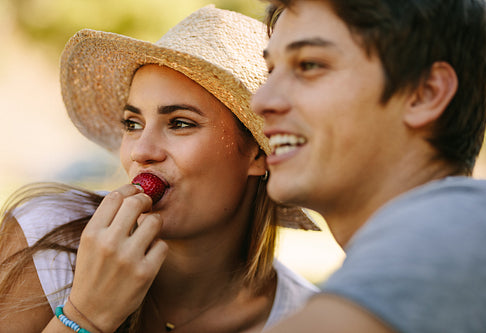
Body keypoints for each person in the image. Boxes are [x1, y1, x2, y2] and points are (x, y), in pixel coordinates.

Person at [0, 5, 321, 333]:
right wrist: (85, 316)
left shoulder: (311, 321)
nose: (141, 151)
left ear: (257, 154)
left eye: (180, 123)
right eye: (132, 123)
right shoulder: (44, 238)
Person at [251, 0, 486, 332]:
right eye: (271, 71)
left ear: (424, 93)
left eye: (309, 65)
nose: (261, 101)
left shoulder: (454, 229)